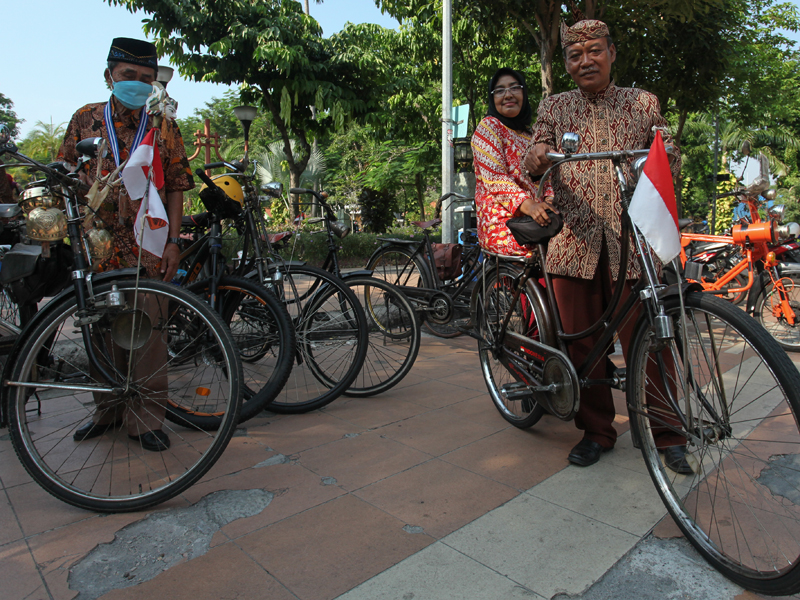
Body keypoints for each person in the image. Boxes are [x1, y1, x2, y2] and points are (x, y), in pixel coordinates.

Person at [523, 19, 689, 471]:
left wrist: (661, 156)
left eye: (594, 51)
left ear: (611, 53)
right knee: (583, 345)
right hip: (574, 246)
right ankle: (597, 431)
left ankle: (668, 433)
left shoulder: (642, 102)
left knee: (653, 339)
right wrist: (535, 157)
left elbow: (668, 150)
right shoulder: (555, 107)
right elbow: (534, 155)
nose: (585, 61)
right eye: (575, 55)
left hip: (634, 244)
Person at [58, 37, 195, 452]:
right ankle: (107, 411)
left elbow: (175, 187)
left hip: (148, 243)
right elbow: (63, 171)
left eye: (146, 79)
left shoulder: (163, 125)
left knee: (147, 331)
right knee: (101, 330)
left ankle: (146, 418)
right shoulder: (85, 118)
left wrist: (173, 241)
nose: (137, 85)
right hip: (97, 244)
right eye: (128, 77)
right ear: (109, 77)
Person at [471, 68, 556, 256]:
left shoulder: (531, 136)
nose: (508, 95)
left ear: (524, 94)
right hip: (504, 224)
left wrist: (549, 203)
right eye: (500, 90)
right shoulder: (489, 127)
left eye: (514, 88)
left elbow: (547, 179)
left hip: (536, 220)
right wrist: (531, 206)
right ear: (492, 98)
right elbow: (496, 178)